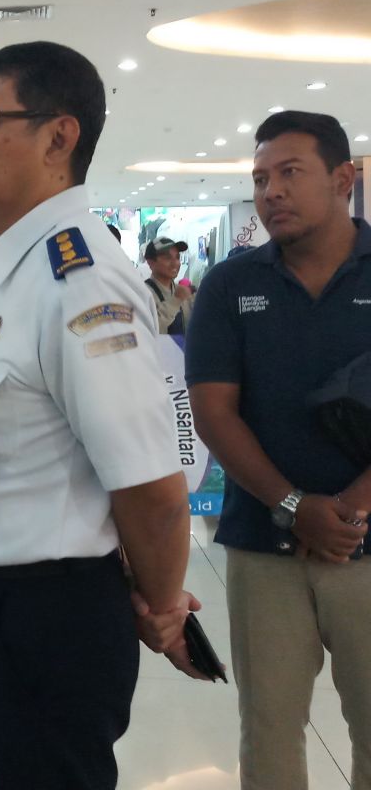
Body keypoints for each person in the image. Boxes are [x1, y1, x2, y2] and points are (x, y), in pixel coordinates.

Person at [0, 41, 204, 789]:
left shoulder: (79, 279)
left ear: (58, 137)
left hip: (39, 621)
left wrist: (163, 606)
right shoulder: (13, 268)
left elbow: (154, 491)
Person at [187, 110, 371, 790]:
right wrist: (296, 506)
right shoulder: (232, 286)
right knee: (268, 732)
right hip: (264, 546)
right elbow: (214, 412)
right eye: (261, 178)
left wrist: (349, 509)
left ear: (343, 179)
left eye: (289, 173)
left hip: (367, 548)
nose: (271, 192)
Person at [143, 236, 194, 334]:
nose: (175, 263)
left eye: (177, 257)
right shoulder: (144, 293)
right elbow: (150, 328)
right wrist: (176, 300)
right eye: (167, 258)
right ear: (150, 263)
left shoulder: (182, 290)